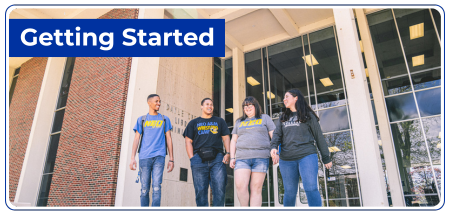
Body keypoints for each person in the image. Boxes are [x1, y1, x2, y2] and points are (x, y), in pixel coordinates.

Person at [270, 89, 332, 207]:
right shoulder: (283, 117)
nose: (284, 99)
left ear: (296, 98)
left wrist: (326, 157)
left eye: (287, 97)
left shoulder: (308, 116)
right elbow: (277, 135)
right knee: (289, 192)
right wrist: (273, 147)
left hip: (306, 155)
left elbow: (319, 136)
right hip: (287, 159)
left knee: (310, 188)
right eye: (284, 97)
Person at [183, 98, 231, 207]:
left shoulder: (220, 121)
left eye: (211, 104)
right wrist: (192, 158)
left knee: (219, 189)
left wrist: (228, 153)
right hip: (198, 159)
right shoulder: (193, 123)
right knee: (200, 192)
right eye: (207, 104)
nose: (210, 106)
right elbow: (188, 141)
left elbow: (226, 138)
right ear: (201, 106)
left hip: (217, 159)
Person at [229, 96, 276, 207]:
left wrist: (276, 151)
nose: (247, 108)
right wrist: (232, 157)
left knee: (256, 188)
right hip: (241, 158)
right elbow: (233, 140)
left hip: (260, 157)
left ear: (256, 106)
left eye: (250, 105)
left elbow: (274, 136)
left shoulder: (265, 118)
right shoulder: (239, 121)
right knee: (240, 186)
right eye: (245, 106)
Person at [129, 94, 174, 207]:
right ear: (149, 103)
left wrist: (171, 159)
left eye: (159, 101)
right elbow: (136, 140)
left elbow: (169, 139)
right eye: (156, 101)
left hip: (159, 157)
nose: (159, 103)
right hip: (144, 158)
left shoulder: (164, 119)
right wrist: (132, 158)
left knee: (156, 187)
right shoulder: (142, 119)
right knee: (144, 189)